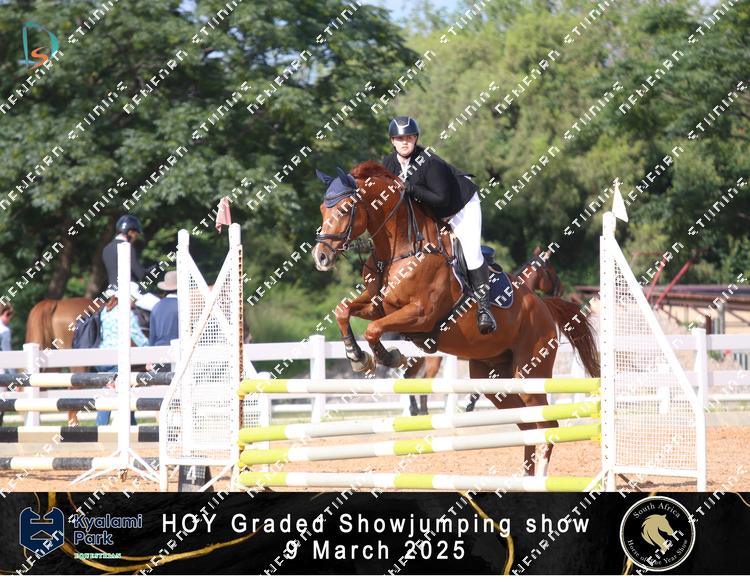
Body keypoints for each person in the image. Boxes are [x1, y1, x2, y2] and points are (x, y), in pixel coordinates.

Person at [381, 116, 497, 334]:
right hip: (430, 211)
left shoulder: (430, 162)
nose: (405, 142)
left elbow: (441, 199)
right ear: (392, 141)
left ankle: (484, 309)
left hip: (460, 206)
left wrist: (411, 188)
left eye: (409, 138)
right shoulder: (388, 163)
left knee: (471, 253)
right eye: (400, 138)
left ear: (416, 139)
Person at [95, 291, 149, 426]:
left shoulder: (106, 311)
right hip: (118, 359)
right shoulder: (126, 313)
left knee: (108, 392)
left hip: (102, 357)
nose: (134, 304)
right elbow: (137, 336)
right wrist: (149, 351)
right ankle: (106, 426)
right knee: (122, 391)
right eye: (133, 300)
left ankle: (103, 426)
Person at [101, 214, 159, 311]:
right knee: (159, 306)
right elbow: (140, 274)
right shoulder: (127, 247)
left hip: (110, 292)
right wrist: (155, 267)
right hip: (129, 292)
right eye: (136, 233)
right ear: (130, 232)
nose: (136, 237)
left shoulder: (106, 248)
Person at [149, 271, 179, 347]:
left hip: (158, 349)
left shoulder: (156, 306)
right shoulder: (183, 306)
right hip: (178, 349)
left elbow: (152, 336)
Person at [0, 304, 14, 425]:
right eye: (8, 315)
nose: (9, 318)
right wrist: (14, 377)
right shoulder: (5, 331)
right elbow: (8, 356)